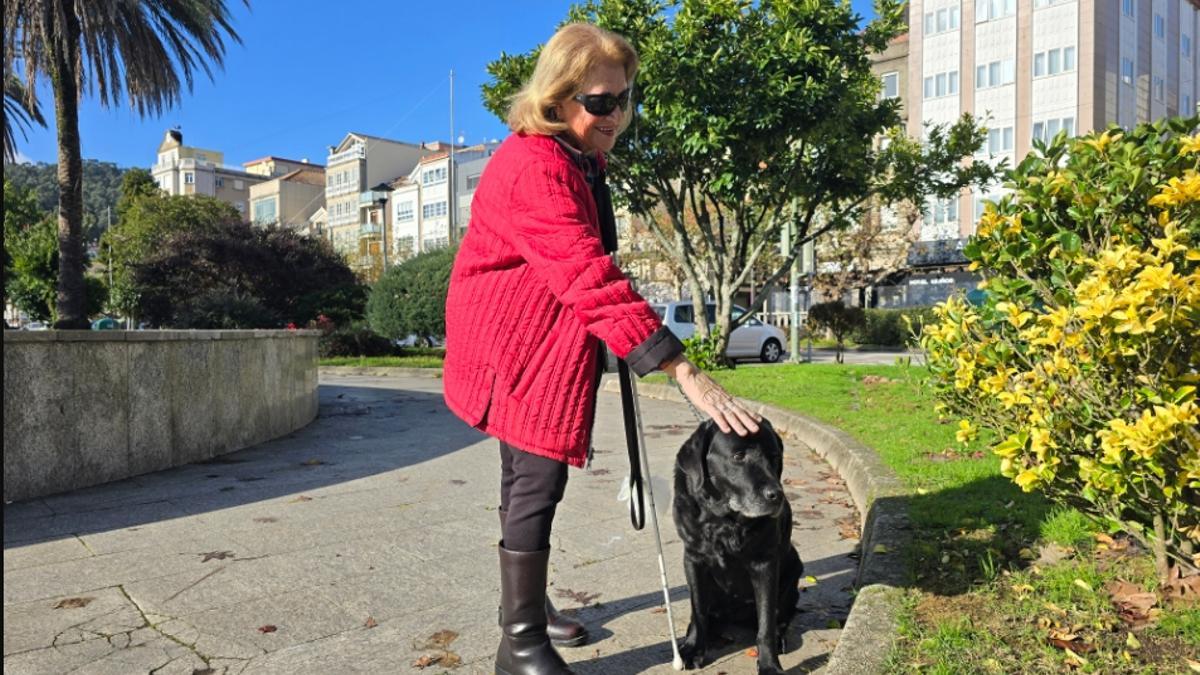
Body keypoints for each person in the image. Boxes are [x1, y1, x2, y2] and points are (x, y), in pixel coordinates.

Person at [442, 22, 761, 675]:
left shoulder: (576, 158)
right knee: (536, 477)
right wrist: (684, 369)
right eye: (600, 101)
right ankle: (523, 643)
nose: (616, 114)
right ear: (558, 100)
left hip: (533, 330)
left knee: (521, 478)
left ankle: (518, 612)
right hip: (513, 342)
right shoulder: (536, 166)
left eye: (622, 99)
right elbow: (588, 274)